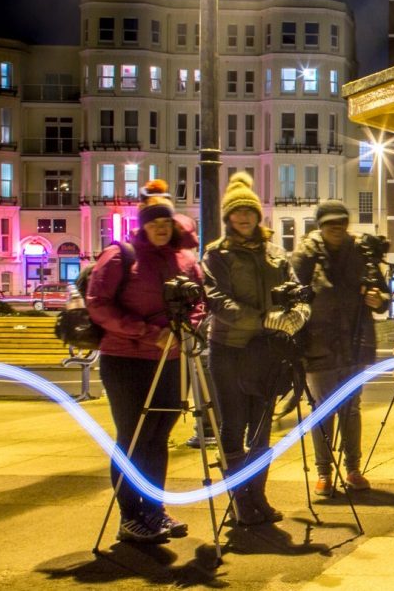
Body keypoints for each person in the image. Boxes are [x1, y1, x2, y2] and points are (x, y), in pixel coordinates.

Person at [86, 179, 204, 543]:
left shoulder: (183, 260)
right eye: (154, 222)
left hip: (170, 360)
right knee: (134, 437)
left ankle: (154, 510)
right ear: (144, 225)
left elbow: (200, 301)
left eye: (166, 222)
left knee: (158, 437)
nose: (161, 228)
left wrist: (187, 328)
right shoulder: (121, 255)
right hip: (127, 360)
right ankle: (130, 515)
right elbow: (98, 303)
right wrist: (147, 332)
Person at [203, 172, 310, 523]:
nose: (244, 217)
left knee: (261, 428)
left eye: (249, 210)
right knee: (233, 427)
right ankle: (239, 501)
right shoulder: (217, 254)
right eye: (237, 212)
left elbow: (296, 291)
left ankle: (258, 495)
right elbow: (217, 300)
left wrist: (298, 314)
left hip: (266, 353)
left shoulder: (275, 253)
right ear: (228, 217)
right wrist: (262, 319)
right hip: (230, 350)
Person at [290, 200, 388, 494]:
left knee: (351, 408)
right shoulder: (305, 255)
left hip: (355, 342)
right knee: (323, 409)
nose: (336, 228)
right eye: (330, 223)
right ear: (320, 225)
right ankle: (324, 472)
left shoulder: (361, 252)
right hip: (318, 343)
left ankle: (353, 469)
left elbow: (383, 296)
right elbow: (292, 295)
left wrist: (378, 299)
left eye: (341, 222)